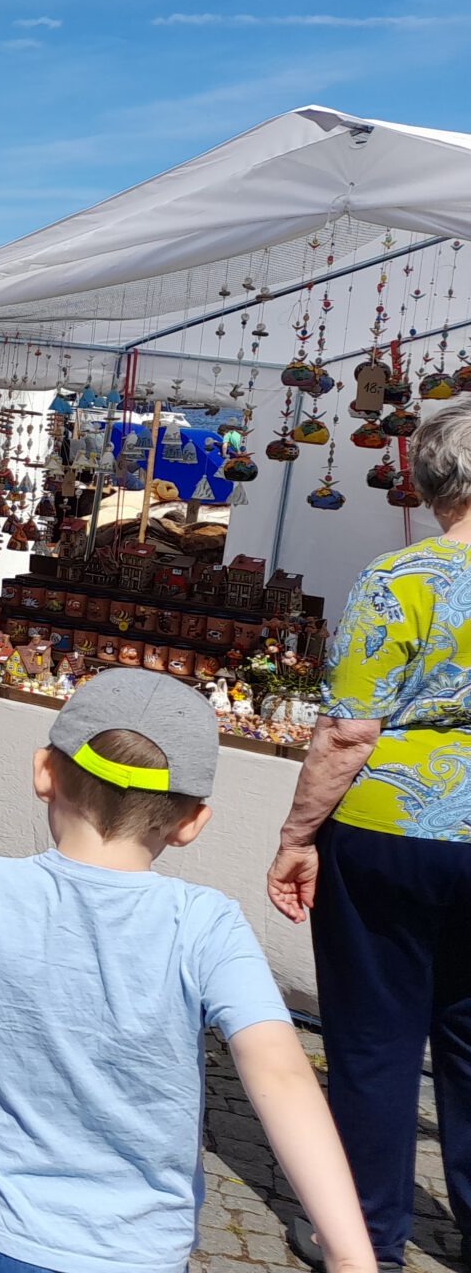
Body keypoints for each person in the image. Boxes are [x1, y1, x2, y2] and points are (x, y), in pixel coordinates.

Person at [0, 669, 374, 1273]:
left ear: (45, 771)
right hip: (141, 1252)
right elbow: (282, 1076)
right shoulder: (208, 924)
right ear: (190, 824)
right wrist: (350, 1253)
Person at [266, 399, 471, 1268]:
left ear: (428, 481)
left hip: (390, 831)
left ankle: (367, 1236)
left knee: (375, 1039)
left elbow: (349, 730)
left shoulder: (401, 580)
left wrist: (297, 833)